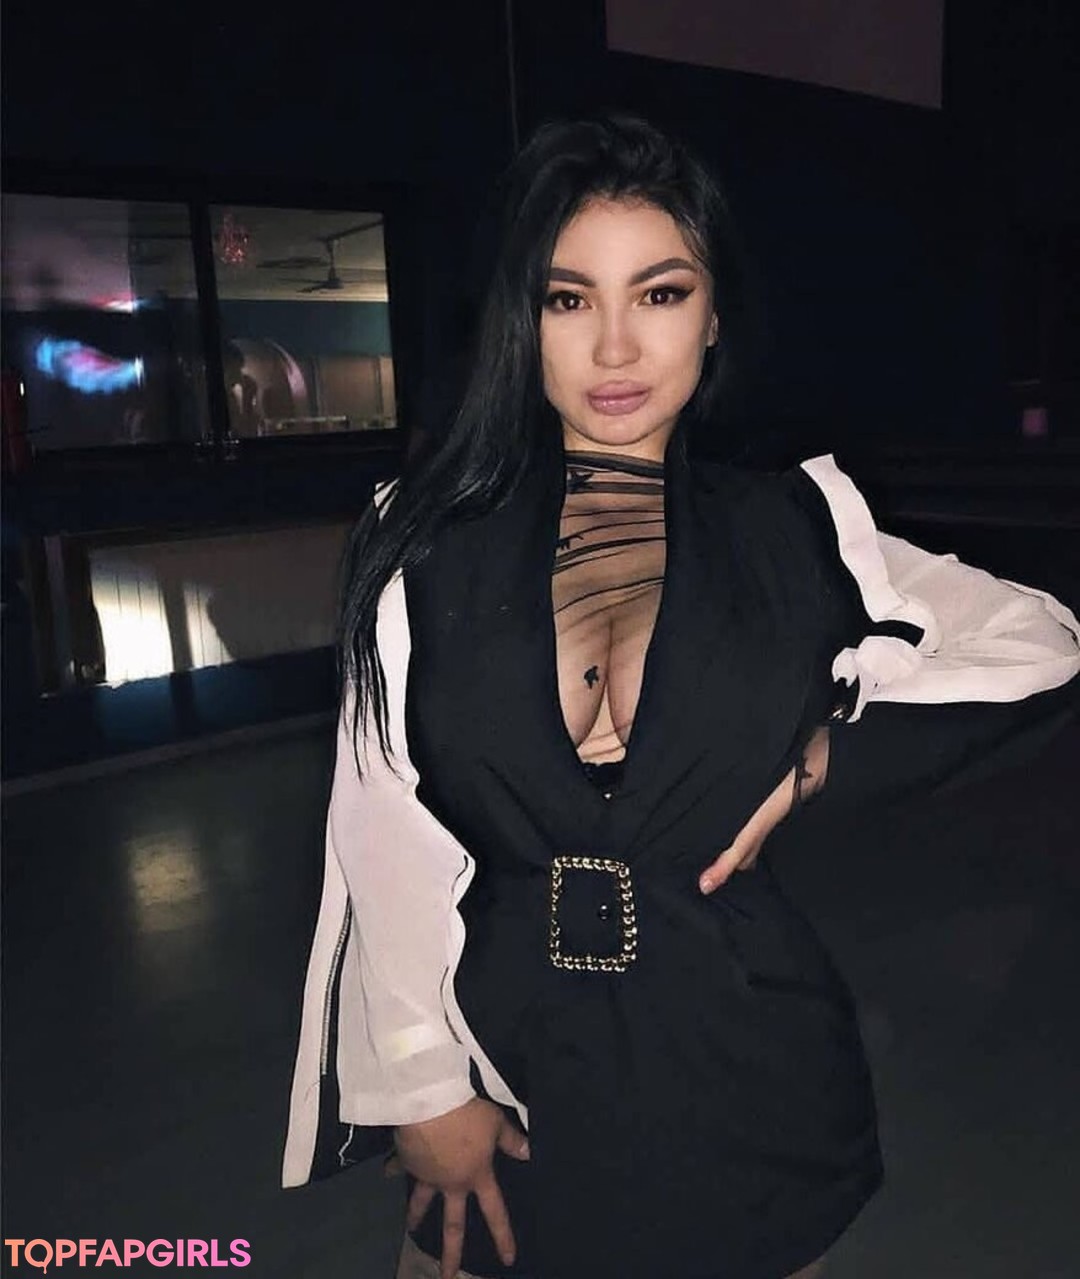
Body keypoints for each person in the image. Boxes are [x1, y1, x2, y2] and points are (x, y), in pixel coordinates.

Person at [282, 117, 1080, 1279]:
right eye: (568, 299)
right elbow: (379, 825)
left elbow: (1042, 640)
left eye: (659, 293)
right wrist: (417, 1079)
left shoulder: (801, 525)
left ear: (711, 316)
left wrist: (828, 750)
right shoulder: (422, 541)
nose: (615, 344)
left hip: (751, 1075)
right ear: (523, 323)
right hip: (506, 1071)